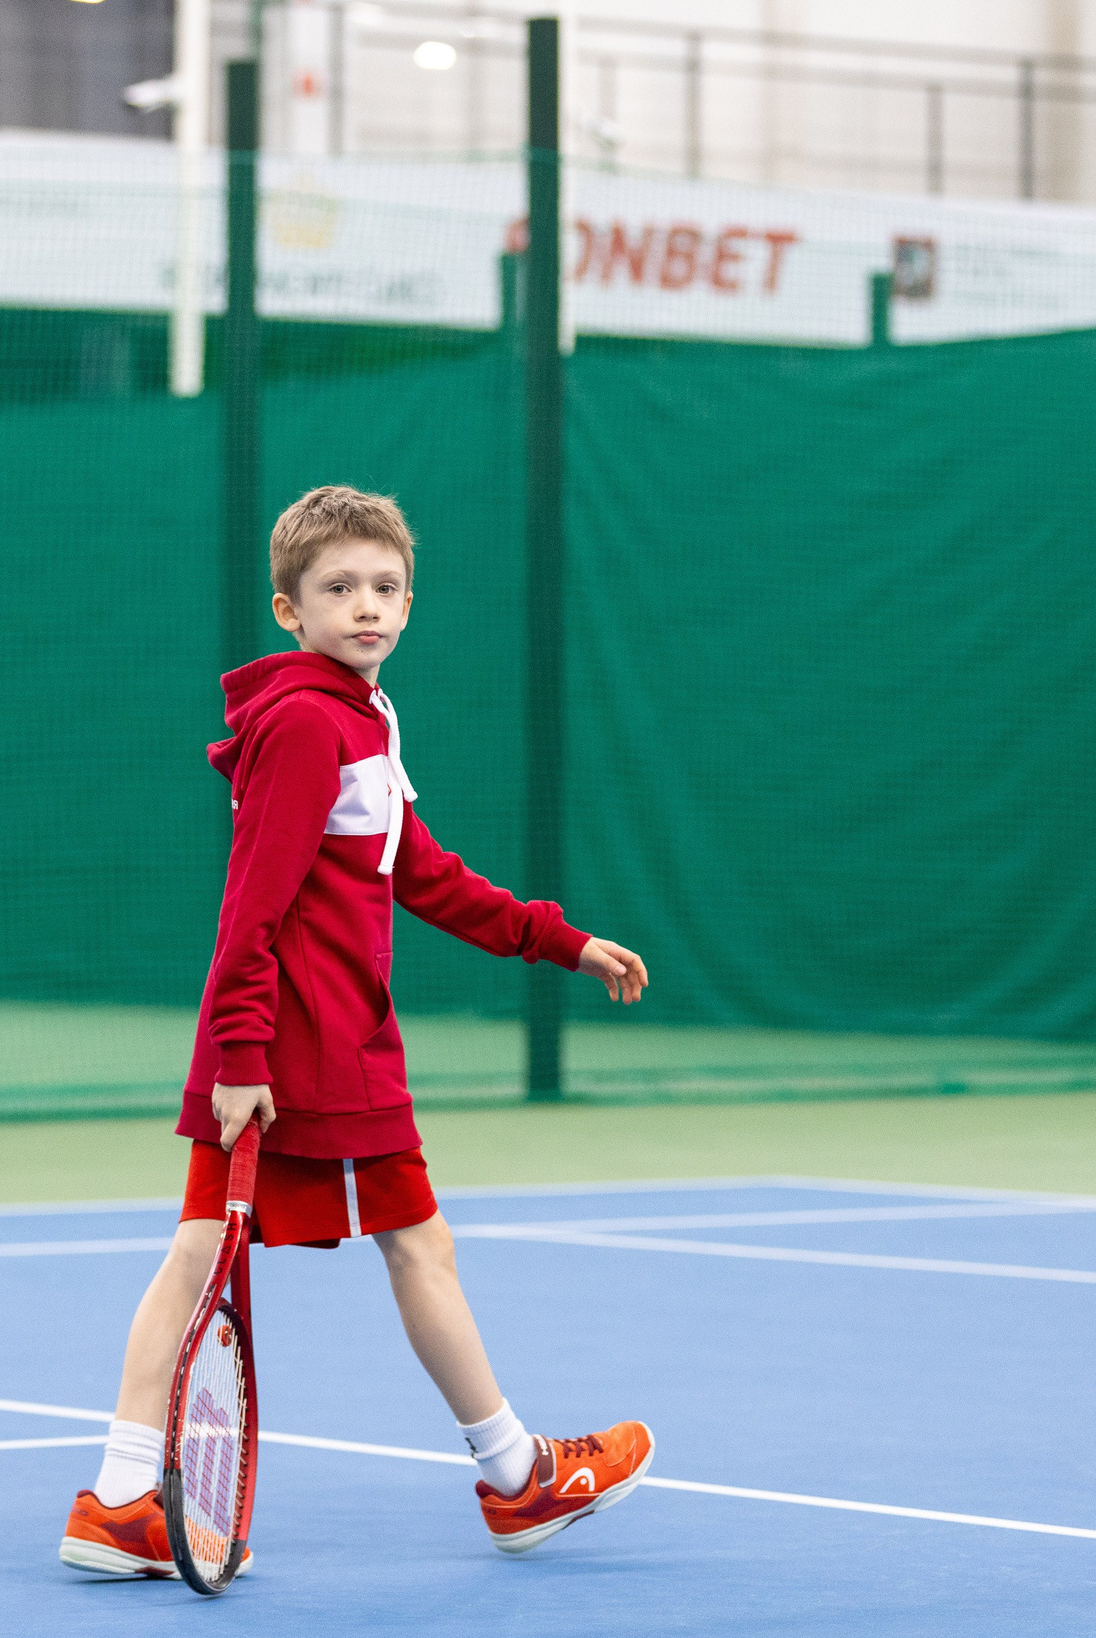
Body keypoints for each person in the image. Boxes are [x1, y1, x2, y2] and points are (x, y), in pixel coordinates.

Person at [58, 485, 656, 1579]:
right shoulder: (303, 725)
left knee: (204, 1254)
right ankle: (518, 1480)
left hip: (317, 1043)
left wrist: (557, 940)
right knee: (413, 1245)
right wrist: (244, 1055)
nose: (366, 606)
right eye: (339, 589)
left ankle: (122, 1499)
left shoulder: (360, 718)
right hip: (307, 1053)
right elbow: (252, 908)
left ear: (410, 602)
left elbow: (421, 873)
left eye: (385, 587)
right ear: (291, 610)